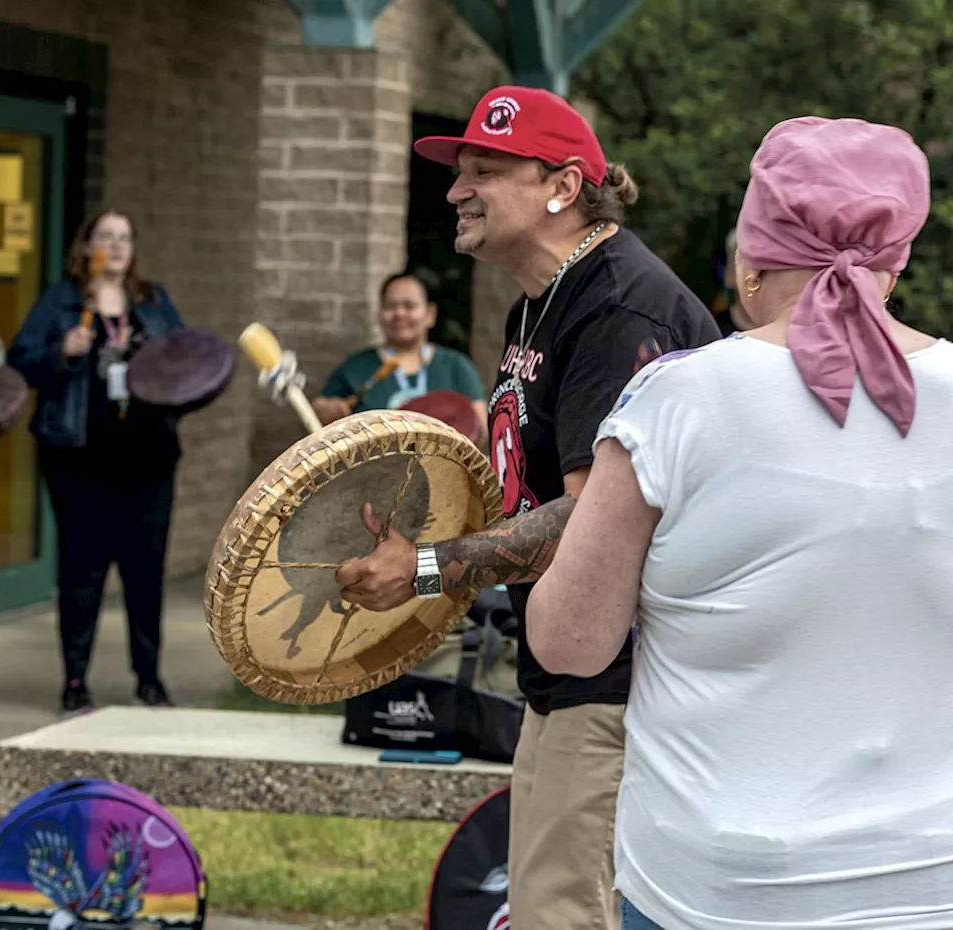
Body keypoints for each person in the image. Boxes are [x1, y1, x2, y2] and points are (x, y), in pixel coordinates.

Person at [526, 117, 953, 930]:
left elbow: (570, 642)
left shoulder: (678, 401)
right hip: (934, 878)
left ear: (750, 259)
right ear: (892, 267)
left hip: (724, 885)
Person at [332, 86, 721, 928]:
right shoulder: (537, 303)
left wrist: (428, 569)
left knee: (566, 915)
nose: (455, 190)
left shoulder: (620, 308)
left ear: (562, 186)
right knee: (546, 907)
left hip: (627, 683)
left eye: (484, 170)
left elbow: (590, 523)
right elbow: (529, 481)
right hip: (568, 675)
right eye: (458, 170)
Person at [9, 208, 184, 713]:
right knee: (81, 574)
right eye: (105, 235)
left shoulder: (153, 302)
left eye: (125, 237)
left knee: (145, 573)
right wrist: (63, 350)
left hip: (149, 460)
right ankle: (74, 682)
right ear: (87, 246)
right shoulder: (61, 304)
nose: (116, 245)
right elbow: (23, 363)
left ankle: (150, 679)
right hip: (79, 460)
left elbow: (185, 364)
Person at [312, 272, 486, 434]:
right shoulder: (356, 367)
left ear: (430, 314)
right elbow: (317, 413)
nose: (399, 313)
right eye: (390, 306)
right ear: (380, 314)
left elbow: (481, 428)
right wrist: (325, 411)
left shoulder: (456, 366)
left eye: (409, 306)